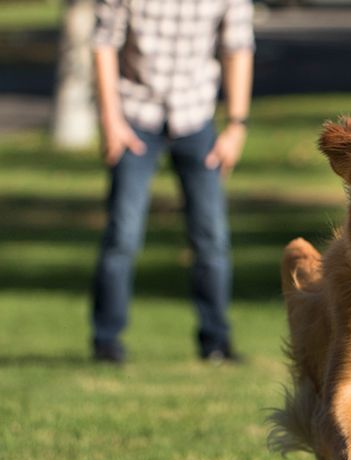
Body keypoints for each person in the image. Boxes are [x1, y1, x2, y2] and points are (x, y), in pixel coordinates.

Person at [90, 0, 255, 364]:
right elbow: (103, 43)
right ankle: (106, 342)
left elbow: (237, 48)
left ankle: (215, 342)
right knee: (122, 233)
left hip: (195, 117)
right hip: (134, 117)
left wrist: (236, 126)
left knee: (211, 237)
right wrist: (110, 120)